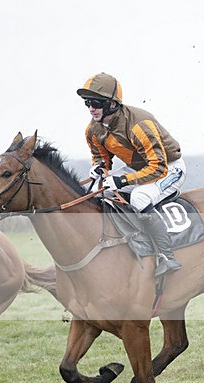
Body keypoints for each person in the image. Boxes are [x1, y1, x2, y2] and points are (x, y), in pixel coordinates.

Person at [77, 72, 185, 276]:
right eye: (87, 103)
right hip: (139, 168)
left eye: (96, 102)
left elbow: (158, 167)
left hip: (169, 167)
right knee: (98, 192)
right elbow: (101, 159)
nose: (91, 108)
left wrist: (121, 179)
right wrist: (99, 168)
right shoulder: (92, 130)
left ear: (112, 104)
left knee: (140, 196)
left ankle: (167, 256)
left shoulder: (139, 125)